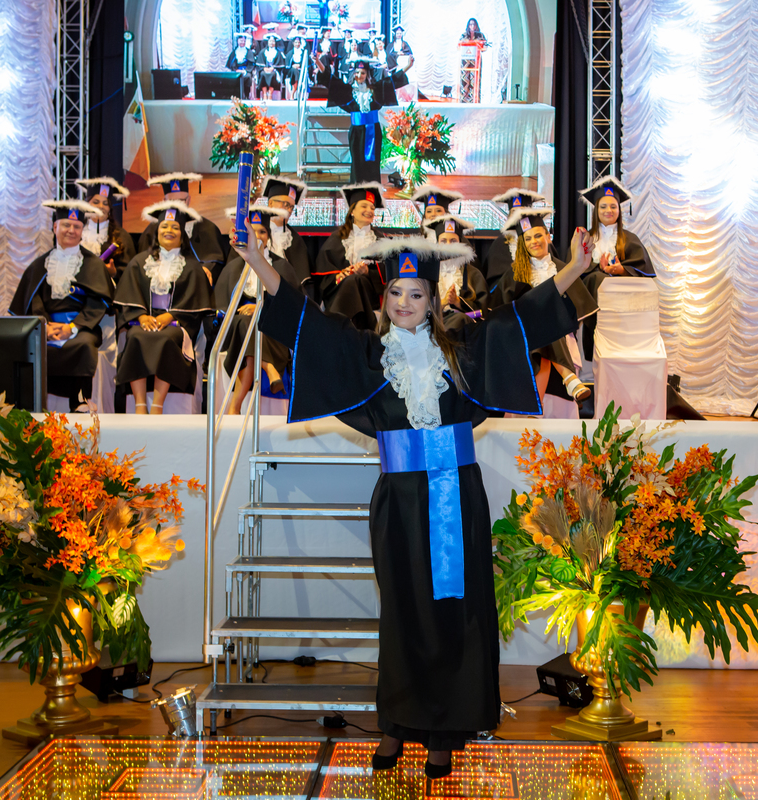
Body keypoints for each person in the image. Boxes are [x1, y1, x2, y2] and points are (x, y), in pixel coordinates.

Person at [237, 218, 592, 778]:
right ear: (385, 298)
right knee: (403, 613)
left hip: (457, 493)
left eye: (416, 294)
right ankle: (398, 723)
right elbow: (309, 322)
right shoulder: (367, 354)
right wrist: (260, 263)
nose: (404, 303)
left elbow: (519, 320)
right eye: (396, 293)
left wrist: (573, 269)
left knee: (452, 610)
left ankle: (444, 730)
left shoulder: (461, 350)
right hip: (399, 500)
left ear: (433, 300)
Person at [10, 200, 114, 411]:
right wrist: (45, 326)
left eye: (77, 226)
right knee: (25, 345)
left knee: (84, 345)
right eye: (66, 225)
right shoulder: (39, 265)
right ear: (55, 227)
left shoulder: (93, 264)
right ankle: (32, 403)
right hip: (47, 327)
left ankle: (80, 401)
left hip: (82, 327)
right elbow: (33, 300)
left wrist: (72, 327)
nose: (71, 230)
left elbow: (97, 302)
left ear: (82, 231)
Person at [114, 201, 214, 414]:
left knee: (167, 338)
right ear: (156, 231)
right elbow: (129, 293)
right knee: (135, 336)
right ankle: (140, 404)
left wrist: (170, 316)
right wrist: (141, 317)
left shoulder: (192, 266)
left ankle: (157, 405)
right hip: (145, 320)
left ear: (182, 234)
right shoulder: (140, 261)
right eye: (164, 226)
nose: (169, 230)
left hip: (176, 324)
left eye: (175, 227)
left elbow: (196, 301)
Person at [490, 207, 597, 405]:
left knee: (546, 325)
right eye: (528, 238)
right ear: (522, 244)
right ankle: (569, 378)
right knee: (540, 322)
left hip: (559, 334)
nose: (534, 241)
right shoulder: (514, 273)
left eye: (538, 235)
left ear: (548, 237)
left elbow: (577, 310)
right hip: (522, 338)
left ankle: (534, 409)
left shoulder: (564, 270)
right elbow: (501, 311)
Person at [216, 206, 304, 414]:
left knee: (249, 329)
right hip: (239, 329)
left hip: (274, 330)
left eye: (262, 231)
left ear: (269, 236)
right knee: (245, 324)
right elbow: (222, 307)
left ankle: (235, 406)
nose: (257, 236)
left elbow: (292, 304)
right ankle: (269, 367)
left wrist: (261, 307)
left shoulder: (281, 266)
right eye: (252, 231)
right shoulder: (233, 267)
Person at [577, 176, 655, 359]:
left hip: (624, 310)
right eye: (603, 207)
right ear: (596, 210)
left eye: (613, 206)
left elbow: (643, 270)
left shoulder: (630, 239)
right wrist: (598, 267)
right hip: (595, 309)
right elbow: (574, 272)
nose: (608, 211)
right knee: (597, 278)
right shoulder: (585, 239)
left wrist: (622, 270)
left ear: (619, 210)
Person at [313, 54, 409, 184]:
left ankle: (373, 188)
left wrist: (408, 65)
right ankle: (356, 189)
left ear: (367, 74)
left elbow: (393, 81)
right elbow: (330, 80)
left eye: (363, 73)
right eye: (357, 72)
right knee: (357, 162)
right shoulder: (348, 91)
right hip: (356, 132)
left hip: (373, 131)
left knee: (373, 163)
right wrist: (318, 62)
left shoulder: (375, 90)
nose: (359, 75)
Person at [312, 183, 387, 329]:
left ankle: (335, 327)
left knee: (355, 280)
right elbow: (324, 276)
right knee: (351, 280)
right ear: (352, 211)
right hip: (339, 292)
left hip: (369, 295)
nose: (369, 210)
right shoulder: (336, 238)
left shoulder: (381, 240)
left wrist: (367, 272)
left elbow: (388, 274)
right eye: (364, 206)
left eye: (372, 208)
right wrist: (340, 275)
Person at [138, 173, 225, 280]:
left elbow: (215, 259)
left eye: (181, 201)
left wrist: (207, 269)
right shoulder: (153, 229)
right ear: (164, 201)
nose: (177, 206)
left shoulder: (207, 227)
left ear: (188, 200)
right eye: (172, 201)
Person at [255, 174, 311, 290]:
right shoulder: (255, 231)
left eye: (292, 207)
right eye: (285, 205)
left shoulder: (294, 240)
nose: (289, 210)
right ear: (270, 203)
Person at [74, 176, 136, 281]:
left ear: (109, 209)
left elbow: (131, 272)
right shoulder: (76, 232)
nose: (101, 206)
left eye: (105, 203)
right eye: (96, 202)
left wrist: (114, 273)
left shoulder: (122, 236)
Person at [426, 215, 487, 319]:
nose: (449, 245)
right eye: (443, 241)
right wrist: (442, 303)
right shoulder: (428, 273)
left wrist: (458, 302)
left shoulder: (473, 273)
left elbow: (483, 310)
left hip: (464, 324)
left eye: (453, 241)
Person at [484, 187, 547, 283]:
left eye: (522, 211)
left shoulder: (542, 242)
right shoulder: (500, 244)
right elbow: (495, 282)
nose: (518, 217)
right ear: (509, 216)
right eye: (514, 212)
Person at [458, 18, 488, 103]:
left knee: (475, 81)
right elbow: (459, 45)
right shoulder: (464, 35)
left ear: (476, 26)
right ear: (468, 26)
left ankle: (475, 101)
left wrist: (479, 44)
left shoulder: (480, 35)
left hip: (476, 60)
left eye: (474, 24)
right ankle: (464, 101)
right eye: (470, 24)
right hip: (465, 60)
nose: (472, 26)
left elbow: (485, 47)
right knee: (465, 81)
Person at [255, 33, 285, 101]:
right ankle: (265, 93)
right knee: (262, 74)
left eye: (273, 41)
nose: (272, 43)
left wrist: (273, 68)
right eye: (270, 41)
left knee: (272, 75)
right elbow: (259, 63)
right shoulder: (263, 52)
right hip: (264, 70)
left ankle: (270, 94)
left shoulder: (278, 52)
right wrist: (264, 68)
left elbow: (280, 64)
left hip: (274, 70)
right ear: (268, 42)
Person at [225, 31, 255, 98]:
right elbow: (232, 63)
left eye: (243, 41)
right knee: (233, 77)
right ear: (238, 41)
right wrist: (236, 69)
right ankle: (235, 96)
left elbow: (251, 64)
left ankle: (246, 95)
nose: (242, 42)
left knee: (247, 77)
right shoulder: (234, 52)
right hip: (236, 70)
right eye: (241, 41)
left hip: (246, 71)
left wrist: (245, 70)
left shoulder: (249, 52)